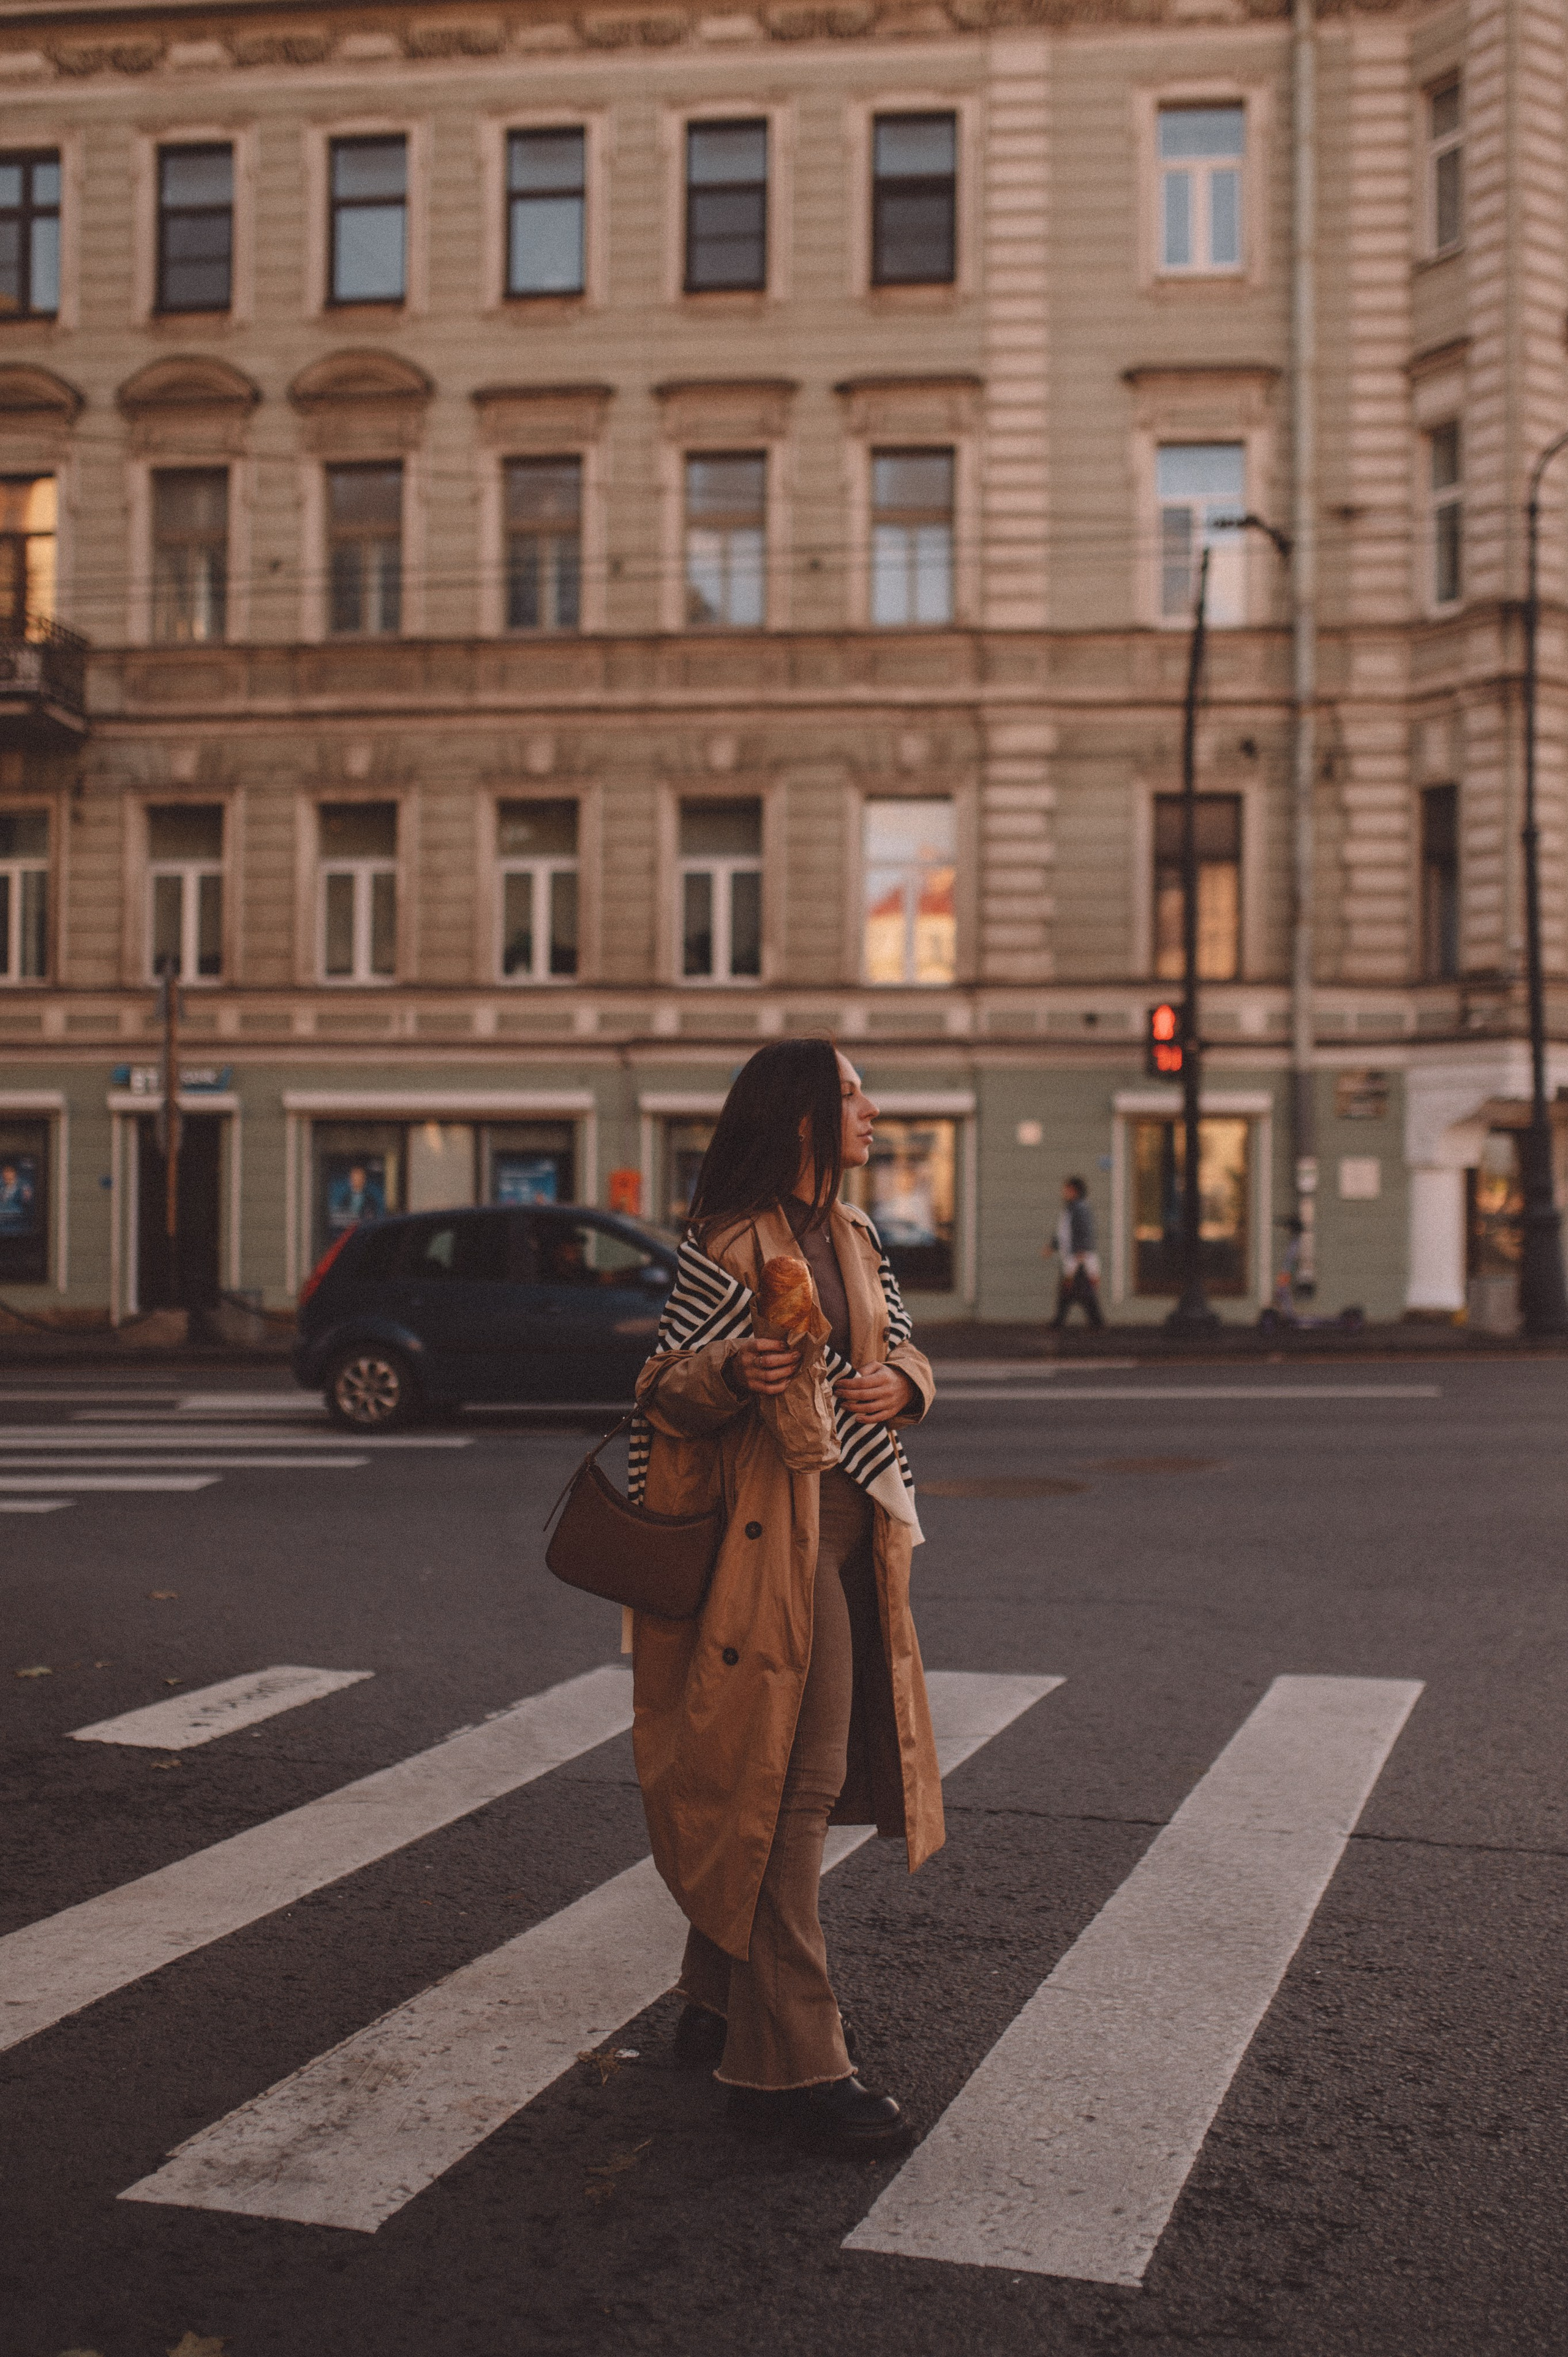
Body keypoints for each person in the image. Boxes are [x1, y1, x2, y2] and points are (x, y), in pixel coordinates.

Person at [630, 1038, 941, 2157]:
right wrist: (731, 1372)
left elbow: (905, 1344)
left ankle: (717, 1991)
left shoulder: (854, 1233)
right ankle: (789, 2066)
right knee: (790, 1783)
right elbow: (661, 1383)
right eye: (854, 1090)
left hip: (861, 1531)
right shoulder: (730, 1242)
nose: (871, 1104)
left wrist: (901, 1382)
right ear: (803, 1116)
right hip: (772, 1543)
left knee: (799, 1769)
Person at [1047, 1175, 1104, 1329]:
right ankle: (1060, 1322)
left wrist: (1081, 1252)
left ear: (1075, 1191)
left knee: (1080, 1291)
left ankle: (1097, 1324)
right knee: (1069, 1290)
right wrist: (1053, 1246)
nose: (1064, 1192)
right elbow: (1064, 1234)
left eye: (1067, 1189)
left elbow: (1085, 1231)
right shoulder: (1071, 1209)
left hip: (1078, 1259)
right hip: (1072, 1258)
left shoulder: (1080, 1209)